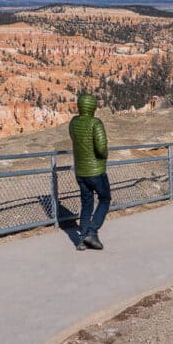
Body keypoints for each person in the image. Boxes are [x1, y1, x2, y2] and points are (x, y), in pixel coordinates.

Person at [69, 93, 110, 250]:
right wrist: (105, 154)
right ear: (93, 106)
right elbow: (101, 148)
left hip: (80, 171)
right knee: (105, 199)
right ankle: (92, 232)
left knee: (86, 204)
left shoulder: (73, 123)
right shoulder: (96, 123)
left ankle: (81, 240)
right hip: (96, 171)